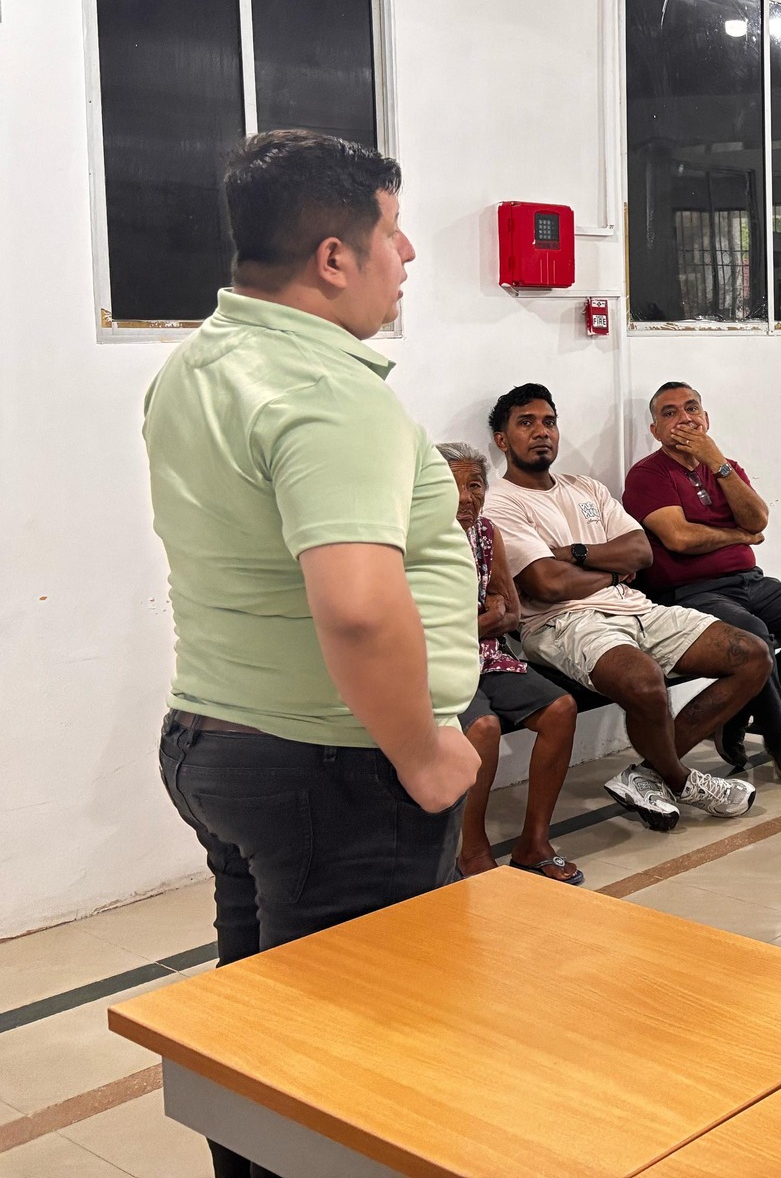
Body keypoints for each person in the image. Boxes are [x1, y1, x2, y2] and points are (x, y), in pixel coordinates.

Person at [144, 130, 481, 1178]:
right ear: (335, 257)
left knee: (260, 1040)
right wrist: (425, 752)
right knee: (353, 1067)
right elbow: (359, 611)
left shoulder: (197, 366)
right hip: (335, 771)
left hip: (219, 744)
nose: (408, 254)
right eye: (393, 231)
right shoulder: (326, 389)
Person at [483, 385, 766, 828]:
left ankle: (647, 775)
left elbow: (640, 552)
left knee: (752, 654)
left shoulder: (586, 487)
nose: (542, 432)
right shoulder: (499, 502)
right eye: (526, 423)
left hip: (635, 607)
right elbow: (548, 584)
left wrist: (575, 554)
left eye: (549, 422)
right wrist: (611, 572)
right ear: (502, 440)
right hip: (564, 622)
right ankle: (681, 779)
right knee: (645, 681)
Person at [624, 381, 781, 782]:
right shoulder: (648, 474)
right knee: (754, 634)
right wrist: (738, 536)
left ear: (706, 419)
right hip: (690, 591)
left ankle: (736, 712)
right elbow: (680, 538)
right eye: (670, 413)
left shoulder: (724, 467)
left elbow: (758, 519)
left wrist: (717, 462)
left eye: (691, 408)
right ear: (656, 430)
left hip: (749, 581)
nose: (684, 419)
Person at [436, 443, 584, 886]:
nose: (467, 497)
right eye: (453, 486)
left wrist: (484, 621)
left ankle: (534, 843)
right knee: (483, 728)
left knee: (560, 708)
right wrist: (484, 619)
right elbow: (421, 631)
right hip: (437, 664)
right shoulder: (415, 540)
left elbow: (512, 613)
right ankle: (473, 852)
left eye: (475, 485)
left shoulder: (486, 533)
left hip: (489, 655)